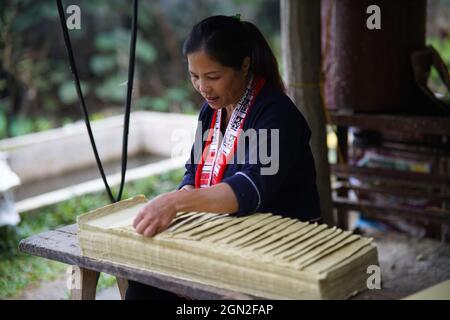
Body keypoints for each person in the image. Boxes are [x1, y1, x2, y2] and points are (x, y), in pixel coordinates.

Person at [125, 15, 321, 300]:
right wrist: (186, 191)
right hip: (230, 233)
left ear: (244, 65)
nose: (203, 87)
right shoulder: (211, 111)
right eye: (194, 76)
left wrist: (176, 202)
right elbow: (194, 169)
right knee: (144, 285)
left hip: (282, 243)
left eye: (213, 77)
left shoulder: (277, 115)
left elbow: (249, 189)